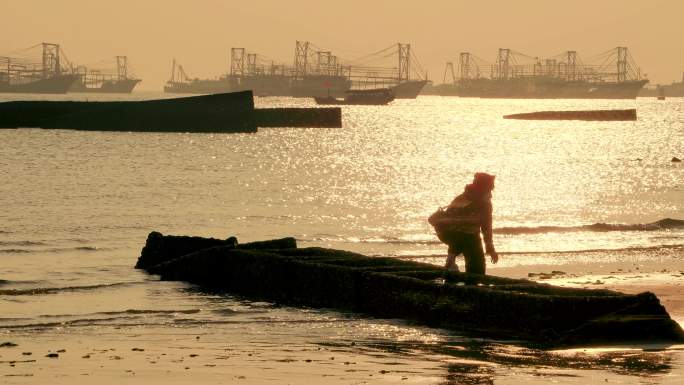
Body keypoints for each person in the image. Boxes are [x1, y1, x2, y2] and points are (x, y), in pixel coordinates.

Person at [435, 172, 499, 274]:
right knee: (477, 269)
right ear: (484, 188)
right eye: (490, 189)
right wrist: (490, 249)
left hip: (450, 236)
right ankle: (453, 263)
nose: (491, 194)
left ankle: (451, 261)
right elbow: (486, 228)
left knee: (465, 237)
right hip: (463, 237)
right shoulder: (484, 204)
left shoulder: (461, 198)